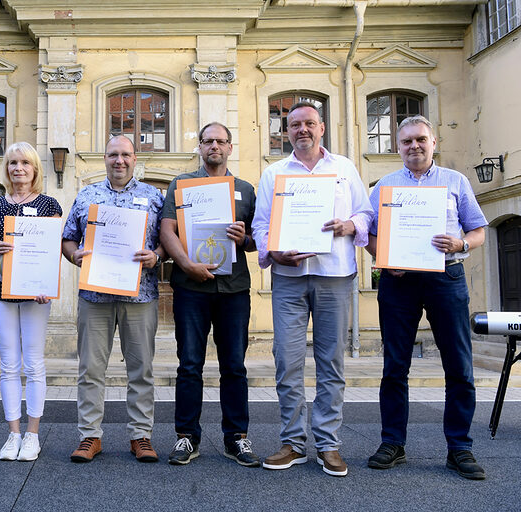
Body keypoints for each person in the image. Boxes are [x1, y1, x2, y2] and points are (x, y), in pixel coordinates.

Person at [252, 103, 372, 477]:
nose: (302, 130)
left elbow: (366, 214)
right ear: (286, 131)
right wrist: (272, 250)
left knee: (330, 362)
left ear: (321, 128)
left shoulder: (344, 168)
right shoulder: (274, 173)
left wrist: (349, 225)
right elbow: (260, 224)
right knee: (287, 362)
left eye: (308, 124)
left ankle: (328, 444)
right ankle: (292, 443)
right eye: (294, 125)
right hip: (289, 279)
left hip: (335, 276)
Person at [366, 115, 487, 480]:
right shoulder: (384, 186)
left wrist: (461, 243)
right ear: (397, 147)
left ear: (434, 142)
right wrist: (383, 256)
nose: (414, 146)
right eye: (407, 142)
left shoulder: (455, 182)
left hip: (446, 276)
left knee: (459, 366)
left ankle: (460, 448)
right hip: (398, 281)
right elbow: (367, 235)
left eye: (421, 139)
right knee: (395, 366)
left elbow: (478, 229)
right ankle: (393, 443)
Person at [160, 122, 260, 467]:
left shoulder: (246, 190)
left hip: (233, 290)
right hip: (191, 288)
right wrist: (186, 265)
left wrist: (243, 238)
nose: (214, 146)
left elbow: (256, 241)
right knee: (189, 365)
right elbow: (167, 230)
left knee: (234, 365)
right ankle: (187, 437)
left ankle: (237, 438)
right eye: (207, 141)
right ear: (199, 147)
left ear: (230, 147)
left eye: (220, 141)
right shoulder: (181, 185)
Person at [61, 135, 165, 463]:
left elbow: (169, 240)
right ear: (104, 159)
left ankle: (141, 436)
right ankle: (90, 436)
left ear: (135, 159)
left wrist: (157, 256)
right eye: (112, 155)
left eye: (125, 155)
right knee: (91, 368)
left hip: (141, 295)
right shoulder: (86, 195)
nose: (119, 161)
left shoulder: (154, 197)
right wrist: (75, 255)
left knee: (142, 369)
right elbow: (68, 239)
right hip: (95, 296)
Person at [0, 142, 62, 462]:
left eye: (25, 163)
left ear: (35, 168)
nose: (18, 169)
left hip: (36, 295)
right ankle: (13, 433)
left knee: (34, 363)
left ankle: (32, 434)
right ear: (7, 168)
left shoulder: (49, 204)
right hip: (1, 291)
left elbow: (51, 250)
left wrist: (47, 284)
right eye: (13, 163)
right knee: (9, 365)